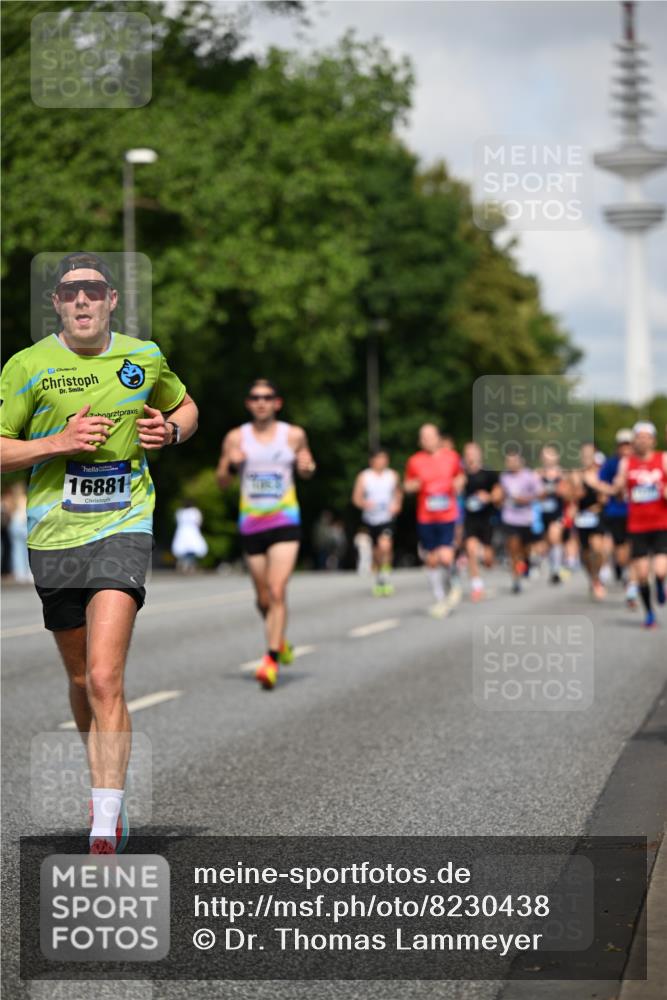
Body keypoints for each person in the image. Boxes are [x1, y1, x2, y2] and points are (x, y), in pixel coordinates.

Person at [0, 252, 198, 853]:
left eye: (93, 289)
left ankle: (105, 822)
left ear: (112, 300)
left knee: (107, 676)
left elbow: (185, 408)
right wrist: (57, 442)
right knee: (83, 677)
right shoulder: (27, 366)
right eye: (70, 291)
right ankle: (101, 787)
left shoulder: (144, 357)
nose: (82, 299)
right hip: (54, 536)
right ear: (56, 304)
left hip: (124, 524)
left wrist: (171, 431)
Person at [216, 379, 315, 689]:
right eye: (255, 397)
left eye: (267, 397)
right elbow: (221, 481)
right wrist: (231, 465)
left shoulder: (294, 434)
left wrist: (307, 467)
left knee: (276, 590)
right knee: (262, 599)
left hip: (284, 521)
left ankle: (270, 659)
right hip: (252, 524)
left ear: (277, 402)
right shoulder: (236, 437)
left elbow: (307, 468)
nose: (261, 402)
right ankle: (280, 640)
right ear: (249, 403)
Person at [404, 424, 464, 617]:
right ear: (420, 441)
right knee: (431, 560)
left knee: (445, 556)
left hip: (447, 514)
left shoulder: (451, 457)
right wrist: (414, 485)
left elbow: (460, 476)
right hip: (426, 516)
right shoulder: (414, 461)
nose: (427, 440)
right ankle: (440, 600)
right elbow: (407, 485)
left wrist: (458, 483)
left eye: (430, 436)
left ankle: (453, 582)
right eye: (424, 437)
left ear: (438, 438)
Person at [613, 422, 667, 629]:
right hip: (637, 526)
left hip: (661, 523)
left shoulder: (663, 459)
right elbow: (619, 487)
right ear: (634, 440)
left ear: (653, 440)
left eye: (646, 437)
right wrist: (618, 487)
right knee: (643, 574)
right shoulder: (627, 463)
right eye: (639, 437)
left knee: (660, 570)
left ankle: (660, 584)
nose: (642, 440)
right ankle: (649, 613)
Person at [352, 448, 402, 596]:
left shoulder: (392, 475)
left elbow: (398, 493)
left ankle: (386, 575)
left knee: (385, 545)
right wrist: (364, 504)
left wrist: (397, 505)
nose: (382, 461)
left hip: (387, 517)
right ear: (372, 461)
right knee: (377, 550)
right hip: (370, 518)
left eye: (384, 458)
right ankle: (380, 574)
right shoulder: (364, 476)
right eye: (379, 458)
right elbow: (356, 498)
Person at [599, 429, 637, 607]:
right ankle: (622, 569)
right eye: (623, 445)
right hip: (616, 512)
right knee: (621, 553)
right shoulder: (611, 464)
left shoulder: (640, 463)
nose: (626, 449)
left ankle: (632, 585)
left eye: (629, 445)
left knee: (635, 550)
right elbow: (601, 484)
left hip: (637, 514)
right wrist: (612, 491)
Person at [499, 448, 543, 594]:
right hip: (510, 518)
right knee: (513, 548)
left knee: (525, 549)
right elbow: (500, 494)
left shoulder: (530, 476)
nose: (511, 464)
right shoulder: (504, 477)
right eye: (509, 461)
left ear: (521, 461)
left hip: (526, 518)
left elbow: (540, 494)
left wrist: (526, 499)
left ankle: (526, 563)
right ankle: (516, 579)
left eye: (514, 461)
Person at [461, 442, 501, 601]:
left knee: (488, 559)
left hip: (487, 519)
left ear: (480, 455)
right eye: (467, 453)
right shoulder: (461, 475)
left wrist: (489, 497)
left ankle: (488, 560)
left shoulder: (489, 473)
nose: (470, 457)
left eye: (473, 453)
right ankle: (477, 587)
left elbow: (499, 493)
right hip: (470, 519)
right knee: (471, 550)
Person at [570, 443, 608, 600]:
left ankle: (597, 577)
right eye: (584, 454)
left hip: (597, 515)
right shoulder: (575, 474)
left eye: (590, 454)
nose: (586, 457)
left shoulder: (600, 473)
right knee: (585, 552)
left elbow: (605, 497)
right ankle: (592, 578)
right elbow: (572, 496)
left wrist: (596, 487)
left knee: (597, 548)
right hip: (581, 516)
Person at [536, 445, 568, 585]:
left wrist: (560, 489)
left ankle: (556, 569)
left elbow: (567, 493)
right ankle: (549, 565)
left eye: (551, 455)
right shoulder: (537, 474)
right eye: (545, 456)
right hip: (541, 513)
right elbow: (533, 493)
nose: (548, 459)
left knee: (554, 536)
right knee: (545, 542)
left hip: (557, 512)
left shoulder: (562, 474)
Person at [171, 501, 208, 573]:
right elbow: (199, 522)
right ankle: (189, 566)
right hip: (193, 532)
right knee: (192, 549)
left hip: (182, 532)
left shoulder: (180, 512)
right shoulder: (195, 511)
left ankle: (183, 564)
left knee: (183, 550)